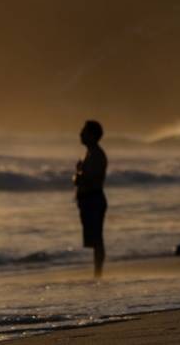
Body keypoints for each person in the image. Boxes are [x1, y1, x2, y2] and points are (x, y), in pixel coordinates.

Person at [74, 119, 108, 278]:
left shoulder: (96, 155)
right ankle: (97, 273)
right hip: (90, 199)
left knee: (97, 240)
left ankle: (98, 274)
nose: (81, 134)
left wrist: (78, 174)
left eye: (84, 131)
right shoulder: (92, 153)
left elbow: (88, 179)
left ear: (92, 135)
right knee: (95, 239)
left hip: (93, 199)